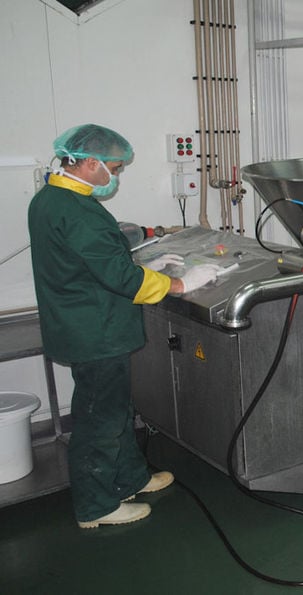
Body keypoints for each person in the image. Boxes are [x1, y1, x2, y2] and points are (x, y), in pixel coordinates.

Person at [28, 124, 222, 527]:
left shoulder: (52, 197)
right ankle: (96, 506)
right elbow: (118, 277)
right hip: (94, 330)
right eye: (113, 169)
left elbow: (89, 262)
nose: (115, 177)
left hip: (81, 320)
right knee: (100, 417)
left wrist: (143, 265)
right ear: (89, 163)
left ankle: (131, 477)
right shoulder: (77, 210)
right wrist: (181, 282)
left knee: (116, 407)